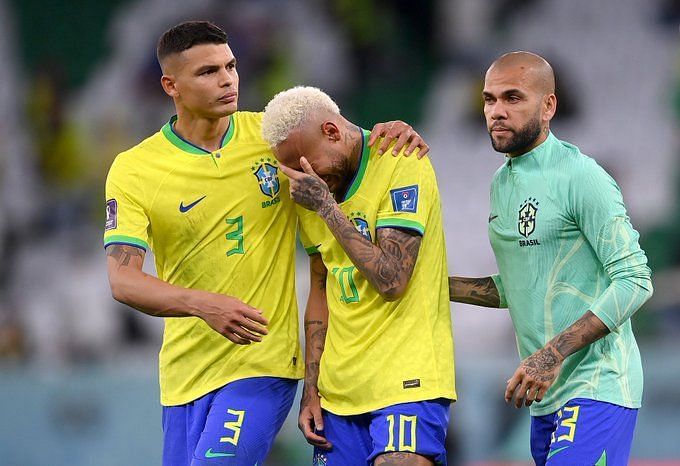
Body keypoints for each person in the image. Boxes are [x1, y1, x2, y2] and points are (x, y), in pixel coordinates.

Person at [104, 21, 431, 466]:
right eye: (207, 72)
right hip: (184, 374)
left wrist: (391, 130)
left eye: (231, 66)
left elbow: (346, 144)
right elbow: (123, 280)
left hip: (262, 362)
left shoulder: (272, 140)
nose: (227, 79)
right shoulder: (135, 169)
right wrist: (205, 305)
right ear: (170, 85)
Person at [449, 51, 653, 466]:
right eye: (489, 100)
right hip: (544, 398)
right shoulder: (501, 185)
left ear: (548, 106)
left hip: (599, 384)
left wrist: (551, 354)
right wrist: (437, 284)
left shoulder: (582, 177)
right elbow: (517, 286)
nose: (496, 112)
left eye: (513, 98)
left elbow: (635, 280)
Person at [261, 86, 456, 466]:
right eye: (298, 171)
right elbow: (321, 288)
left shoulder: (401, 161)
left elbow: (392, 280)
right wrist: (311, 388)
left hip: (407, 380)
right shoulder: (310, 191)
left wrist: (327, 207)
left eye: (310, 164)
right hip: (339, 392)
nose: (307, 177)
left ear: (333, 131)